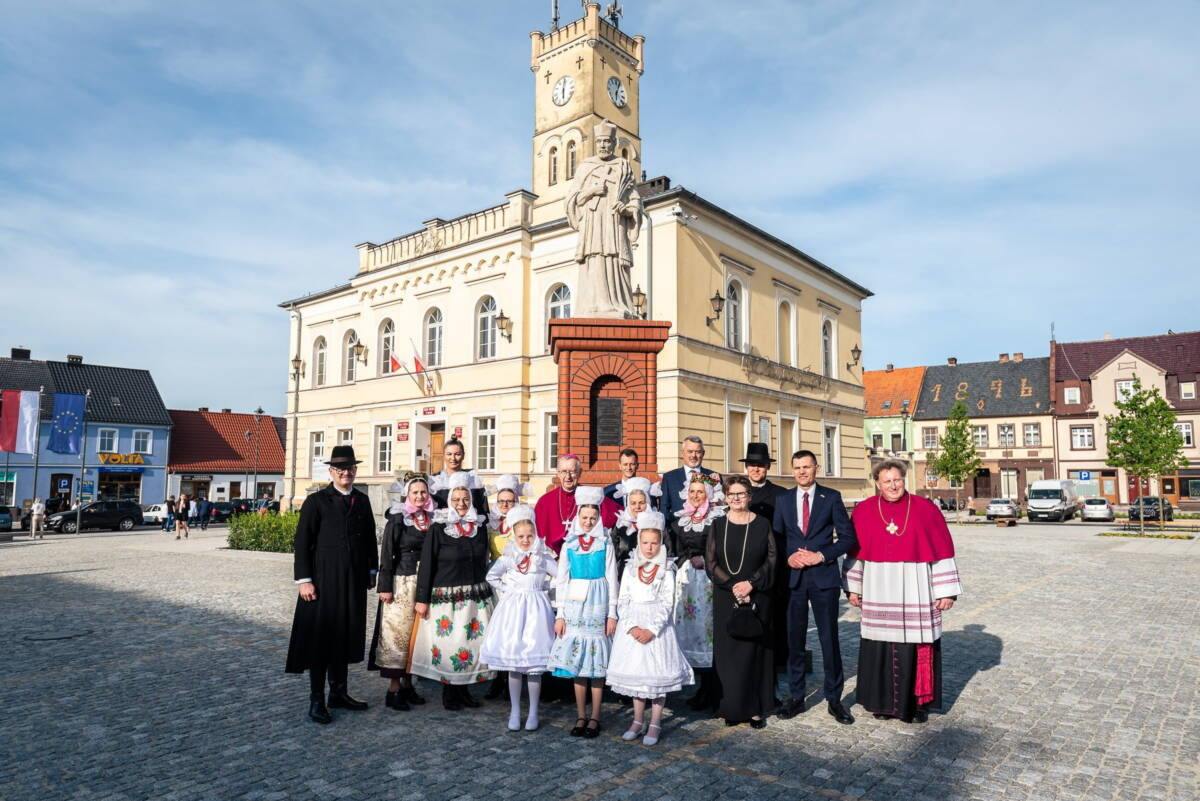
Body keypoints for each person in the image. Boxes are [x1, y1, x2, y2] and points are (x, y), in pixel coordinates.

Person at [845, 459, 962, 724]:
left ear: (904, 479)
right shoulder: (864, 511)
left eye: (897, 479)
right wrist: (854, 587)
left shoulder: (925, 509)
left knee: (915, 646)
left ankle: (916, 705)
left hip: (915, 588)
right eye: (887, 481)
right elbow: (855, 555)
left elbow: (942, 552)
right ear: (877, 483)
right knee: (880, 646)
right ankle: (882, 704)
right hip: (878, 588)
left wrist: (945, 591)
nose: (893, 485)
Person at [285, 446, 379, 725]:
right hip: (322, 581)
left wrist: (372, 571)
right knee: (320, 640)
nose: (346, 473)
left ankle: (339, 692)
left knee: (345, 635)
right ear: (331, 472)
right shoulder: (317, 501)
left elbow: (370, 537)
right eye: (340, 469)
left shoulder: (362, 501)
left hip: (352, 581)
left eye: (350, 468)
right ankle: (317, 699)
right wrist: (304, 580)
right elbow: (302, 542)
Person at [773, 450, 857, 725]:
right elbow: (776, 538)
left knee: (828, 639)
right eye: (797, 467)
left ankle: (835, 700)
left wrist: (821, 556)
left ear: (816, 468)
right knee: (794, 641)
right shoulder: (783, 499)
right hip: (794, 579)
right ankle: (796, 697)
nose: (801, 472)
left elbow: (848, 539)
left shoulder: (830, 497)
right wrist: (788, 557)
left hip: (823, 577)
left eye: (806, 467)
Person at [606, 512, 694, 746]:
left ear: (661, 542)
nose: (649, 547)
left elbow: (667, 602)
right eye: (645, 542)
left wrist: (651, 630)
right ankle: (637, 720)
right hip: (633, 624)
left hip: (656, 628)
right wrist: (632, 627)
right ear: (638, 542)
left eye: (654, 542)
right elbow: (623, 599)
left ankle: (654, 721)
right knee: (637, 677)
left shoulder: (666, 569)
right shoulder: (630, 567)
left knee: (655, 678)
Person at [411, 472, 496, 710]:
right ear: (450, 500)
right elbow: (427, 564)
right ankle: (450, 693)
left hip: (475, 597)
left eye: (465, 500)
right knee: (450, 645)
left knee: (470, 645)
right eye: (457, 499)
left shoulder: (479, 528)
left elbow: (486, 561)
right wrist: (422, 599)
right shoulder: (439, 528)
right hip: (446, 598)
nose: (461, 504)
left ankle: (464, 690)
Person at [547, 486, 618, 739]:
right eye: (584, 517)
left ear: (598, 518)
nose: (588, 522)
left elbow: (612, 578)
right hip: (575, 606)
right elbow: (562, 580)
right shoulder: (570, 543)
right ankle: (580, 713)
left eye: (593, 518)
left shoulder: (605, 542)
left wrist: (612, 613)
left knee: (596, 663)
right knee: (578, 662)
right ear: (578, 516)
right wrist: (560, 615)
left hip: (598, 603)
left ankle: (596, 715)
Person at [481, 505, 558, 731]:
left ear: (535, 535)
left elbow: (561, 575)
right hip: (513, 612)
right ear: (514, 536)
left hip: (536, 611)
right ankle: (515, 710)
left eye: (530, 536)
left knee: (534, 665)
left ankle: (533, 711)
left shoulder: (542, 558)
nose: (525, 540)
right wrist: (507, 589)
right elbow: (491, 576)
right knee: (514, 665)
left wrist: (546, 588)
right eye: (521, 536)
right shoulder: (508, 558)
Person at [708, 475, 776, 729]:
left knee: (753, 653)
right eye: (731, 494)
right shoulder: (717, 525)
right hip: (726, 597)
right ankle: (731, 707)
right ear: (725, 497)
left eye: (741, 493)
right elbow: (711, 562)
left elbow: (771, 559)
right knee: (729, 654)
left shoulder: (762, 524)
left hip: (756, 595)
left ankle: (755, 709)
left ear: (750, 495)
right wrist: (732, 585)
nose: (736, 498)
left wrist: (752, 584)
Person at [368, 473, 434, 712]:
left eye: (423, 492)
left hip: (424, 582)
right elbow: (387, 551)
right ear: (407, 494)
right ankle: (393, 690)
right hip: (402, 582)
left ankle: (408, 684)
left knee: (417, 635)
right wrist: (384, 586)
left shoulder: (431, 518)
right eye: (415, 492)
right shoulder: (397, 518)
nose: (419, 496)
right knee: (397, 634)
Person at [670, 471, 725, 711]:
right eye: (692, 492)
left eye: (700, 492)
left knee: (708, 630)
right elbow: (675, 548)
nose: (695, 496)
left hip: (709, 580)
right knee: (690, 630)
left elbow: (722, 548)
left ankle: (713, 689)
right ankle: (700, 686)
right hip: (687, 581)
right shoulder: (680, 518)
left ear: (708, 494)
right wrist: (687, 558)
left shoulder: (716, 518)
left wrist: (705, 558)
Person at [740, 442, 790, 678]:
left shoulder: (781, 494)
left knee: (775, 615)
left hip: (773, 563)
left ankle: (776, 663)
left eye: (760, 465)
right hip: (744, 563)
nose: (755, 469)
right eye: (752, 465)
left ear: (767, 467)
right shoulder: (738, 493)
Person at [534, 454, 621, 555]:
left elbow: (619, 513)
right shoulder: (545, 501)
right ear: (558, 473)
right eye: (564, 472)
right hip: (552, 559)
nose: (568, 476)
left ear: (580, 473)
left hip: (584, 554)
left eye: (572, 472)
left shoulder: (591, 496)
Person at [659, 436, 721, 520]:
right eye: (690, 451)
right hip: (676, 529)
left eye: (698, 452)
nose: (694, 455)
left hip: (707, 530)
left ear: (703, 453)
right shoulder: (669, 477)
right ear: (682, 453)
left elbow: (719, 505)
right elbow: (664, 508)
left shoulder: (712, 476)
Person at [609, 477, 658, 579]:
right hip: (624, 576)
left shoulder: (657, 526)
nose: (637, 507)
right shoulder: (620, 526)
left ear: (648, 503)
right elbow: (612, 556)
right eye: (633, 503)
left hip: (650, 575)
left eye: (641, 503)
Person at [429, 438, 489, 514]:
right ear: (444, 455)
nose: (453, 458)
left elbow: (483, 508)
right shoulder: (435, 480)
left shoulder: (473, 479)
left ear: (463, 455)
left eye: (457, 454)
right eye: (449, 454)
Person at [487, 474, 532, 561]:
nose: (505, 505)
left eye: (509, 501)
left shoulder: (523, 522)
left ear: (516, 502)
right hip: (495, 570)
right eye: (501, 501)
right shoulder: (491, 521)